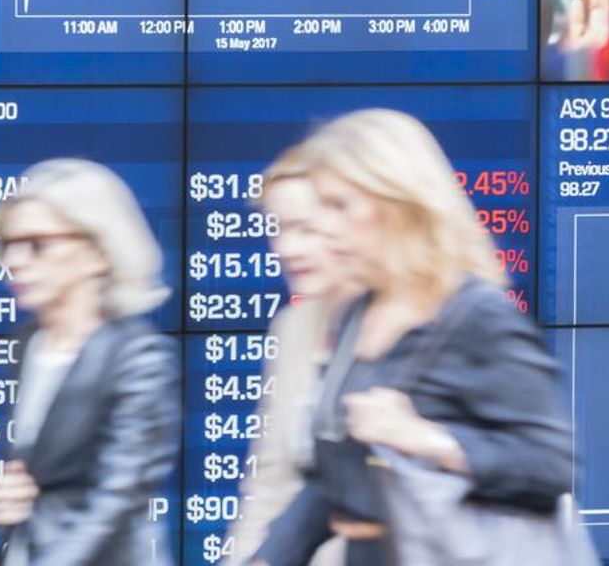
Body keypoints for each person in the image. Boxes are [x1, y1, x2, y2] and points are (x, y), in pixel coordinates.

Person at [251, 110, 575, 566]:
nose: (322, 227)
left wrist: (427, 439)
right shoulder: (357, 317)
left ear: (397, 203)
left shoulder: (474, 315)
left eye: (339, 206)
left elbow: (551, 465)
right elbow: (332, 480)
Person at [0, 159, 180, 566]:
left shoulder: (138, 357)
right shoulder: (27, 346)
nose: (15, 261)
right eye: (8, 244)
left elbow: (116, 502)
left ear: (98, 253)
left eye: (38, 244)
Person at [227, 146, 363, 566]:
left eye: (305, 228)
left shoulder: (414, 321)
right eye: (278, 229)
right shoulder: (294, 328)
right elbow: (270, 482)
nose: (285, 248)